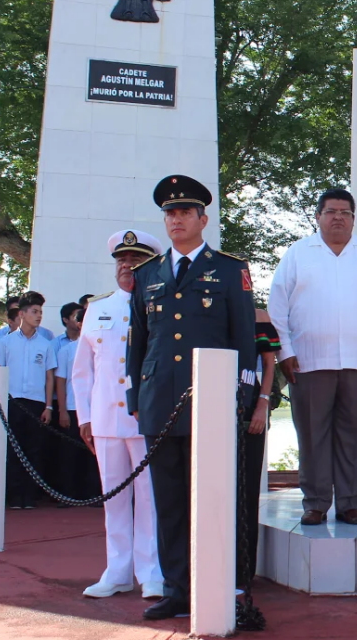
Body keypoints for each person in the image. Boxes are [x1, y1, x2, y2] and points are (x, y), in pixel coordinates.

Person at [128, 176, 256, 620]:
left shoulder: (229, 269)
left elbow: (244, 336)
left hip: (212, 400)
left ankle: (220, 583)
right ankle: (177, 588)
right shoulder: (147, 274)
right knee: (168, 500)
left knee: (214, 496)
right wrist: (135, 397)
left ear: (203, 219)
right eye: (169, 213)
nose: (176, 219)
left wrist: (243, 392)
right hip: (161, 401)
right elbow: (138, 344)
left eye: (184, 212)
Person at [270, 188, 357, 527]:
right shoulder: (298, 254)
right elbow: (278, 307)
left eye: (345, 212)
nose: (338, 217)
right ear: (317, 217)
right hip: (308, 362)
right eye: (330, 211)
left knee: (354, 434)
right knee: (312, 434)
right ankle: (315, 502)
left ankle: (349, 502)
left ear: (354, 218)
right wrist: (285, 351)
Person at [75, 229, 165, 600]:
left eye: (135, 260)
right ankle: (117, 571)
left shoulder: (160, 305)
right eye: (121, 260)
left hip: (147, 421)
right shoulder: (98, 308)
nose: (127, 266)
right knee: (113, 499)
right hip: (106, 421)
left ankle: (151, 573)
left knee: (149, 500)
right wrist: (85, 418)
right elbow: (83, 370)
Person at [0, 291, 57, 510]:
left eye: (40, 312)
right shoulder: (5, 343)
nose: (38, 316)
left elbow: (49, 377)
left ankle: (30, 496)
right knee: (12, 449)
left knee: (34, 449)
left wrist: (48, 406)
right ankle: (13, 495)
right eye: (34, 312)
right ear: (22, 314)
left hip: (36, 403)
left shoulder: (46, 344)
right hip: (12, 402)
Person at [238, 308, 280, 589]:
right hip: (208, 407)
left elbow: (269, 362)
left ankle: (243, 571)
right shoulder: (204, 310)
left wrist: (262, 404)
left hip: (250, 407)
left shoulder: (259, 317)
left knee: (246, 489)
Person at [49, 303, 86, 504]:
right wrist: (62, 410)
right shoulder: (66, 350)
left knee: (92, 456)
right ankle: (67, 494)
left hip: (95, 410)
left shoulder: (103, 348)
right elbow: (60, 382)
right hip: (72, 408)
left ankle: (91, 493)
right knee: (68, 454)